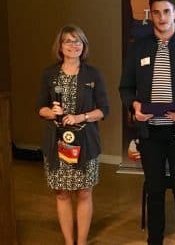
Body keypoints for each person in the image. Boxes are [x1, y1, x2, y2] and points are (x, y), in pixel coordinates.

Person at [119, 0, 175, 245]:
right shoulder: (138, 49)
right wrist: (134, 105)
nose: (162, 17)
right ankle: (154, 239)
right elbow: (125, 88)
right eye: (156, 12)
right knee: (154, 189)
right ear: (150, 16)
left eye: (166, 11)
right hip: (150, 133)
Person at [37, 25, 109, 245]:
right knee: (62, 194)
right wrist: (51, 112)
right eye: (68, 41)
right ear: (60, 46)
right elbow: (40, 107)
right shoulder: (49, 74)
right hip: (56, 143)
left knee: (84, 192)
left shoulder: (93, 74)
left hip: (85, 142)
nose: (73, 45)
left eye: (78, 41)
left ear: (84, 45)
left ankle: (82, 241)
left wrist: (80, 117)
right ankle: (69, 242)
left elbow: (103, 110)